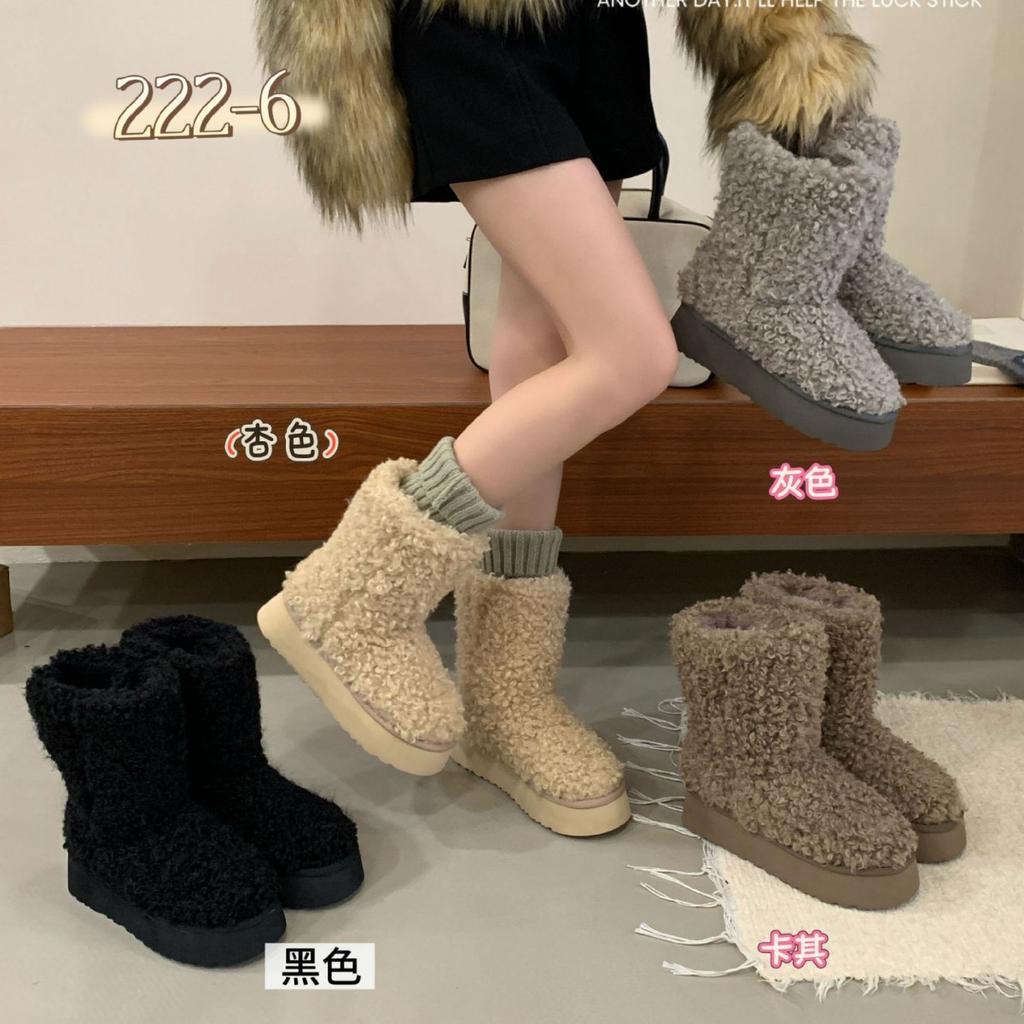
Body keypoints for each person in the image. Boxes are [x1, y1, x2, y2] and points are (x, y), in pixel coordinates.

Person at [253, 0, 874, 836]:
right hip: (472, 23)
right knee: (633, 353)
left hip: (594, 27)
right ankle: (352, 593)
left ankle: (505, 701)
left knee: (538, 345)